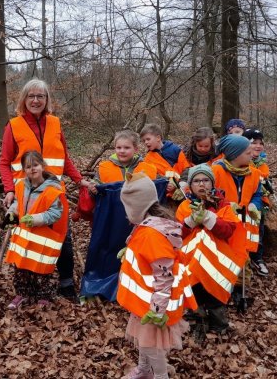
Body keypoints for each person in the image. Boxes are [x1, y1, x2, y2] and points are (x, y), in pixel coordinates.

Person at [0, 79, 95, 300]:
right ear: (24, 99)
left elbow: (65, 158)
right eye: (31, 96)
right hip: (27, 195)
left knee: (63, 239)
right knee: (29, 240)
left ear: (47, 100)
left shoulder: (56, 123)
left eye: (40, 96)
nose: (35, 100)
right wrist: (9, 190)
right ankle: (28, 289)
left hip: (53, 192)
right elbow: (4, 162)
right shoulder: (13, 126)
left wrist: (80, 181)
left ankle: (66, 284)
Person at [116, 173, 196, 379]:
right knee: (145, 339)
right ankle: (144, 369)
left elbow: (164, 274)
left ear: (136, 207)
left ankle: (160, 375)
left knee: (152, 345)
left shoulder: (152, 235)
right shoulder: (147, 226)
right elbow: (149, 256)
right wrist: (130, 251)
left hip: (155, 303)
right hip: (145, 301)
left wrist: (158, 310)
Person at [78, 130, 160, 301]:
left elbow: (156, 191)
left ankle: (134, 287)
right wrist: (94, 189)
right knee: (107, 250)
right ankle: (99, 285)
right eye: (118, 147)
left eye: (127, 147)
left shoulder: (148, 169)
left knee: (135, 252)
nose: (122, 151)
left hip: (138, 220)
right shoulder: (104, 167)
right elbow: (96, 189)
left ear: (136, 149)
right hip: (110, 220)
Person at [174, 164, 244, 334]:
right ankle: (197, 322)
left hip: (216, 261)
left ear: (212, 183)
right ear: (190, 186)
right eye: (196, 181)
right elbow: (177, 233)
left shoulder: (223, 206)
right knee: (194, 290)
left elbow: (228, 230)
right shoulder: (185, 206)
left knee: (215, 294)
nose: (201, 184)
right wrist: (190, 221)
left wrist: (208, 217)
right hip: (191, 260)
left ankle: (219, 325)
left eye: (206, 180)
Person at [3, 150, 70, 309]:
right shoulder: (20, 186)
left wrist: (35, 219)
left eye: (35, 165)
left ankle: (43, 296)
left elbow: (55, 213)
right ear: (24, 169)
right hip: (24, 239)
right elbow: (18, 204)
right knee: (21, 268)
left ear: (42, 166)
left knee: (42, 269)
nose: (32, 169)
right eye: (28, 167)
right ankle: (22, 293)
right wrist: (11, 213)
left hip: (43, 239)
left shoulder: (53, 190)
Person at [211, 135, 263, 308]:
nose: (252, 154)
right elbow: (208, 194)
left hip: (244, 224)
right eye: (247, 152)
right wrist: (224, 205)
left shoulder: (254, 172)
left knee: (243, 258)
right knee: (224, 257)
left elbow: (257, 193)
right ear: (234, 155)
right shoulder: (216, 171)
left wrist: (255, 206)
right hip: (223, 224)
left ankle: (240, 290)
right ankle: (220, 288)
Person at [243, 128, 271, 276]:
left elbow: (265, 179)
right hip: (241, 203)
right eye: (254, 143)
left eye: (260, 143)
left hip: (258, 202)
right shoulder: (240, 161)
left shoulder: (261, 162)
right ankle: (244, 256)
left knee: (258, 228)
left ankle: (257, 257)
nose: (258, 146)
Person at [139, 123, 188, 202]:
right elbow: (152, 175)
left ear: (158, 138)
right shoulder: (148, 158)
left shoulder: (175, 150)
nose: (145, 142)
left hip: (182, 190)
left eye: (148, 139)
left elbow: (186, 169)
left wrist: (182, 184)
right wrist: (166, 182)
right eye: (143, 141)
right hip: (163, 192)